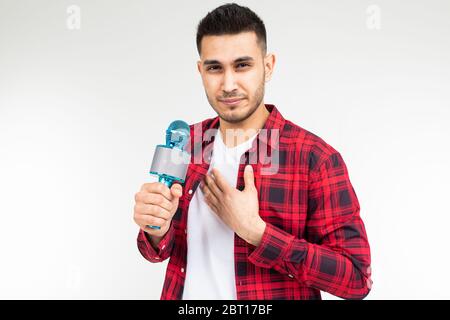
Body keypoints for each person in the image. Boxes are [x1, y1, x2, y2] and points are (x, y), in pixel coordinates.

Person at [133, 3, 372, 300]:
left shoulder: (316, 159)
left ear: (268, 66)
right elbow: (156, 250)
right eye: (215, 68)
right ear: (200, 71)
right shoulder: (186, 142)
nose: (228, 84)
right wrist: (155, 228)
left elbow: (356, 279)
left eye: (242, 65)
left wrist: (257, 233)